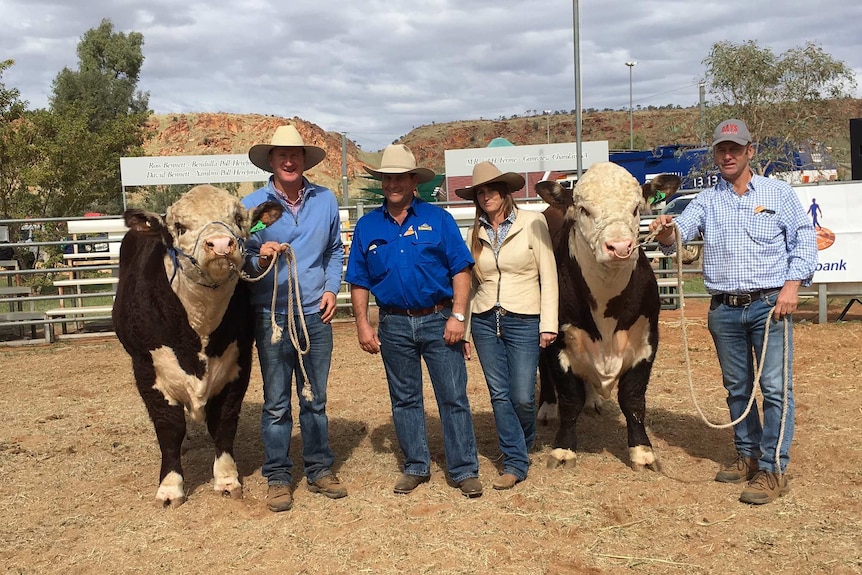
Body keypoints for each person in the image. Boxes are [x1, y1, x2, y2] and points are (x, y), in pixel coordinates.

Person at [649, 119, 817, 505]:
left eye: (734, 149)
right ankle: (747, 455)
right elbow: (680, 234)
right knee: (737, 388)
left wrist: (791, 287)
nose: (727, 155)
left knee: (775, 388)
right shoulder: (707, 200)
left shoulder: (778, 193)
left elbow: (804, 241)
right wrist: (664, 231)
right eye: (721, 150)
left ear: (749, 152)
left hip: (769, 305)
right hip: (724, 309)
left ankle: (773, 469)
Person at [344, 144, 483, 498]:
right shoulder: (368, 225)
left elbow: (461, 270)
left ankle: (464, 468)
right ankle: (416, 465)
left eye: (399, 177)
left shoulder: (439, 220)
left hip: (439, 319)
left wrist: (458, 316)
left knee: (452, 395)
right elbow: (358, 279)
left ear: (413, 181)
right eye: (387, 177)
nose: (393, 183)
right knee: (405, 398)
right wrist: (363, 323)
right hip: (394, 323)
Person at [243, 124, 347, 512]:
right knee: (276, 401)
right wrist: (260, 256)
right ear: (271, 160)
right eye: (282, 154)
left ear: (304, 160)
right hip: (271, 313)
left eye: (296, 154)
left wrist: (332, 289)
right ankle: (278, 476)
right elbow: (241, 253)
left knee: (315, 398)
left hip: (314, 314)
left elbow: (335, 250)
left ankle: (319, 469)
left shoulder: (325, 200)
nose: (289, 160)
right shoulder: (253, 206)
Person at [455, 162, 558, 490]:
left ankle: (523, 441)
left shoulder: (532, 222)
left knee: (523, 394)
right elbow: (471, 285)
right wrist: (467, 329)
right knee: (499, 394)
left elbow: (549, 274)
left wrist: (549, 322)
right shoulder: (474, 232)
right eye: (480, 192)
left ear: (505, 191)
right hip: (485, 318)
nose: (486, 196)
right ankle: (514, 459)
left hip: (524, 317)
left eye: (491, 189)